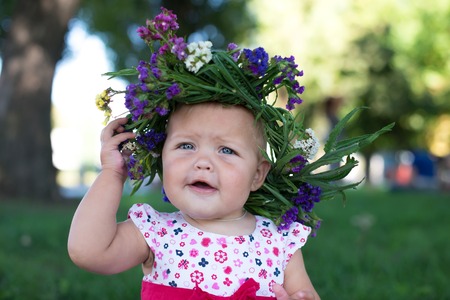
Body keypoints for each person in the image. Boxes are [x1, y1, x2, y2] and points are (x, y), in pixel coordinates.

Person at [68, 7, 392, 300]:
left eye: (226, 150)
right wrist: (113, 174)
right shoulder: (156, 234)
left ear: (257, 174)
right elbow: (88, 251)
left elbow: (305, 293)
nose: (203, 161)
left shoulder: (279, 242)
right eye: (186, 145)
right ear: (161, 154)